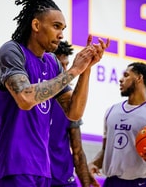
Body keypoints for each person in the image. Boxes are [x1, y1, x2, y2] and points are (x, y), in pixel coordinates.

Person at [0, 0, 110, 186]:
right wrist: (73, 70)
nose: (61, 34)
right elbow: (25, 98)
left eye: (63, 28)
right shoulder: (11, 51)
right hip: (14, 165)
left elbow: (74, 112)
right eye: (56, 26)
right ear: (36, 25)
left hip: (43, 169)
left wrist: (86, 70)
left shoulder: (52, 63)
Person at [88, 62, 146, 187]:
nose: (121, 79)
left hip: (142, 183)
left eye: (126, 75)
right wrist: (93, 163)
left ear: (139, 78)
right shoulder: (111, 111)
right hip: (112, 183)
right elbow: (106, 150)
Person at [49, 41, 99, 187]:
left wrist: (85, 182)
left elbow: (77, 151)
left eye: (67, 65)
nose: (64, 70)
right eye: (60, 65)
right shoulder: (32, 95)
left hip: (64, 180)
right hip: (37, 177)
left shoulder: (69, 101)